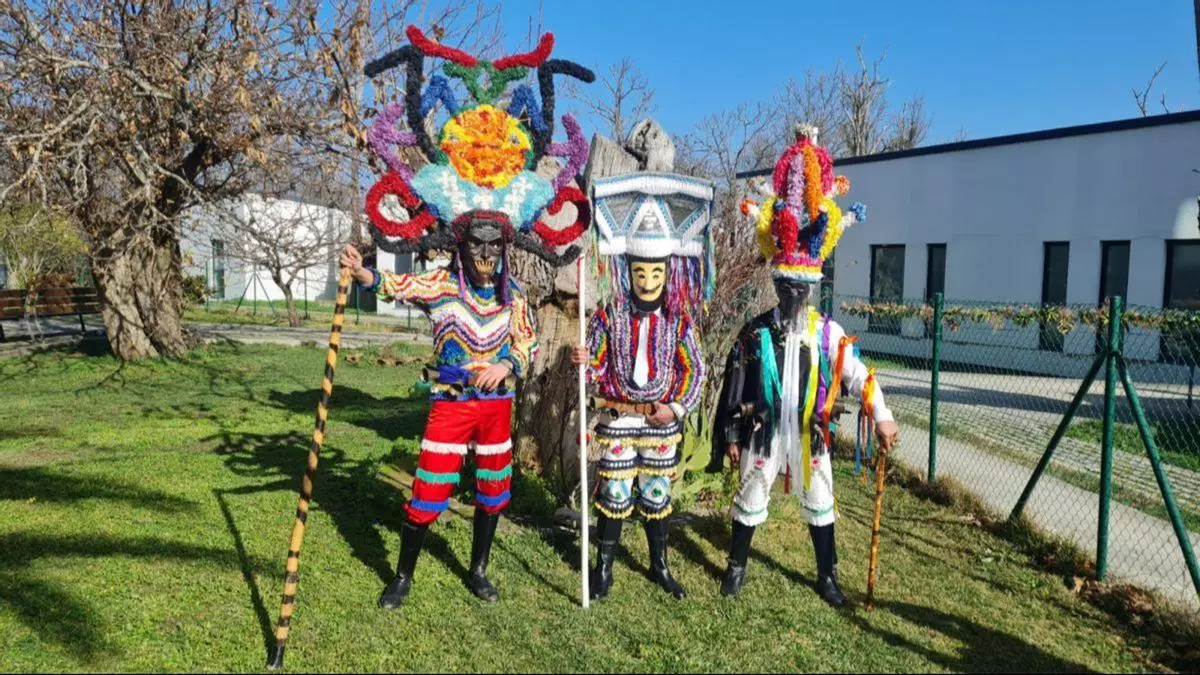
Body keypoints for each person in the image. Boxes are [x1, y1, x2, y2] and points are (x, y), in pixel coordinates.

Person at [710, 124, 901, 606]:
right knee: (752, 492)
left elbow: (858, 374)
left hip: (810, 431)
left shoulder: (827, 333)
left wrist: (881, 414)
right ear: (777, 286)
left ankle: (827, 576)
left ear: (811, 288)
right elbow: (735, 384)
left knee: (820, 497)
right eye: (786, 288)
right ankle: (736, 567)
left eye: (801, 289)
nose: (793, 296)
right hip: (763, 430)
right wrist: (731, 434)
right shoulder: (756, 333)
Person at [570, 171, 715, 600]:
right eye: (640, 272)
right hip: (617, 418)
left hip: (661, 422)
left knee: (656, 494)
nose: (648, 282)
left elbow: (696, 370)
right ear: (628, 271)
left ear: (667, 272)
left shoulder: (679, 321)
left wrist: (678, 408)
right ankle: (603, 569)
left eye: (655, 273)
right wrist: (585, 363)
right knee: (614, 492)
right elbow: (596, 367)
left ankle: (660, 566)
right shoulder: (608, 315)